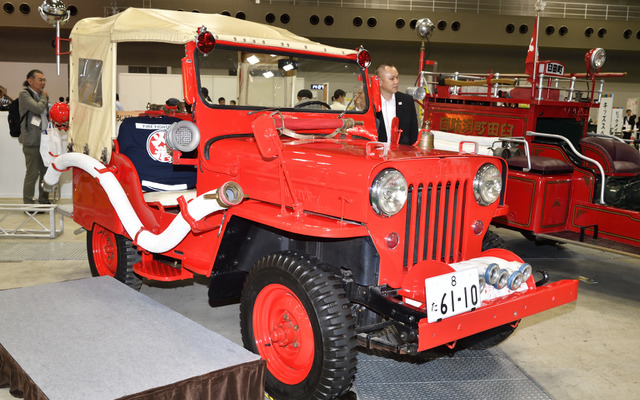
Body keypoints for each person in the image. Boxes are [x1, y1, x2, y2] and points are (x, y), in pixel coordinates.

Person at [18, 69, 50, 205]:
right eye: (40, 80)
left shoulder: (42, 95)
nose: (43, 83)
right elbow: (37, 108)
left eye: (44, 80)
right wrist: (44, 97)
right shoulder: (24, 94)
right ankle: (29, 203)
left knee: (45, 172)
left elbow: (45, 113)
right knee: (32, 173)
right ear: (30, 81)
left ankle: (43, 200)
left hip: (45, 140)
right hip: (31, 141)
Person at [374, 64, 418, 145]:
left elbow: (413, 133)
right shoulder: (370, 103)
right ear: (379, 81)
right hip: (377, 154)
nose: (396, 82)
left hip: (401, 155)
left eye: (397, 77)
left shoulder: (407, 101)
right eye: (391, 79)